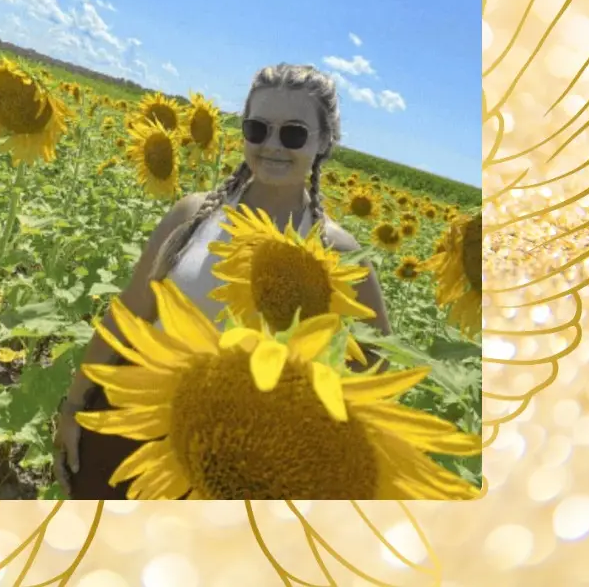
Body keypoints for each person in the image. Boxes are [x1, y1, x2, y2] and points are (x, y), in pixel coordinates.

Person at [52, 63, 393, 499]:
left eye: (293, 134)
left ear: (325, 142)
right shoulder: (193, 215)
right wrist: (75, 404)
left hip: (243, 465)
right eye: (258, 129)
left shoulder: (337, 253)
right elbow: (129, 314)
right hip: (134, 419)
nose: (272, 145)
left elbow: (376, 369)